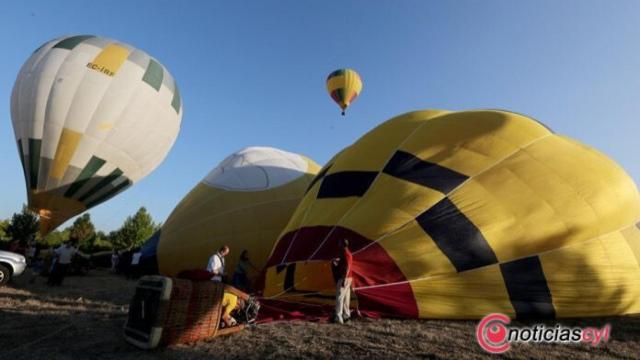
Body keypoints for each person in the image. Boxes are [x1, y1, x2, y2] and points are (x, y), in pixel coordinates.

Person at [332, 239, 353, 324]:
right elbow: (344, 263)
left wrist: (344, 278)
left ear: (343, 245)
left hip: (344, 278)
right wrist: (337, 261)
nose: (338, 245)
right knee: (346, 297)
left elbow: (347, 266)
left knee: (339, 297)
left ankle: (338, 317)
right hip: (349, 278)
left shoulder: (345, 253)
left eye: (339, 243)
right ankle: (346, 316)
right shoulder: (347, 253)